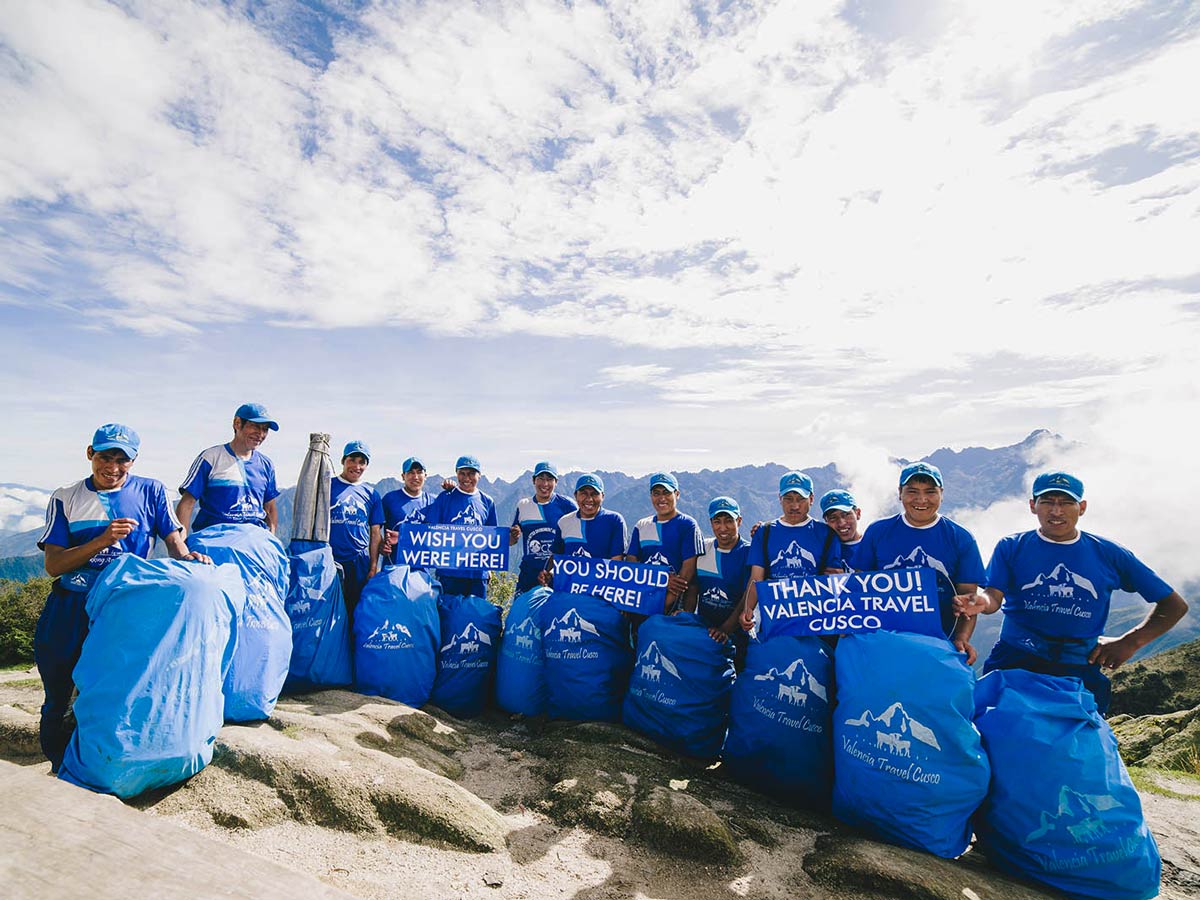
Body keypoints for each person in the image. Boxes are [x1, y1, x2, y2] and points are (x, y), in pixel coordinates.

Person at [35, 424, 212, 771]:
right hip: (71, 604)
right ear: (90, 454)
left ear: (133, 461)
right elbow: (54, 565)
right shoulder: (65, 497)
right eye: (105, 457)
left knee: (112, 691)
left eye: (122, 460)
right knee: (57, 688)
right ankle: (57, 766)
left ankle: (97, 765)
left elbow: (173, 538)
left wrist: (188, 557)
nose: (112, 468)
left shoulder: (151, 491)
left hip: (122, 607)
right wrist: (101, 540)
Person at [967, 471, 1188, 714]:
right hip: (1014, 660)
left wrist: (1130, 642)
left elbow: (1174, 605)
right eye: (1048, 502)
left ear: (1081, 507)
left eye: (1066, 503)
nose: (1056, 511)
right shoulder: (1011, 547)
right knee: (997, 738)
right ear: (1033, 506)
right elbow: (993, 596)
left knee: (1075, 747)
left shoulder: (1108, 554)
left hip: (1078, 667)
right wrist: (981, 602)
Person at [854, 462, 987, 662]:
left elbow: (968, 600)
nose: (921, 499)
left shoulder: (961, 538)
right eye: (912, 491)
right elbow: (859, 586)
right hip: (884, 640)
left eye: (930, 492)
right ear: (900, 493)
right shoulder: (878, 531)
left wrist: (961, 638)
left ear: (942, 493)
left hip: (940, 642)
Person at [739, 472, 843, 632]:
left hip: (815, 625)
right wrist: (747, 609)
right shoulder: (764, 532)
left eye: (801, 499)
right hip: (775, 623)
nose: (795, 506)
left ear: (811, 499)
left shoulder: (826, 534)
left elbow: (834, 579)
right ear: (780, 498)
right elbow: (756, 578)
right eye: (788, 499)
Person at [177, 402, 280, 534]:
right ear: (237, 423)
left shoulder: (266, 464)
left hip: (255, 539)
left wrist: (271, 540)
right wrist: (182, 544)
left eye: (265, 429)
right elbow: (187, 503)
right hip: (214, 537)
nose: (260, 434)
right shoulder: (211, 457)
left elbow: (270, 509)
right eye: (255, 426)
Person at [625, 472, 704, 614]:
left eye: (667, 493)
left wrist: (665, 604)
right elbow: (631, 562)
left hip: (674, 605)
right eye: (656, 493)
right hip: (642, 599)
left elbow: (688, 572)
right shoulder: (641, 525)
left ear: (677, 494)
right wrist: (660, 579)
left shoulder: (687, 525)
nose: (662, 498)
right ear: (651, 496)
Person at [684, 497, 752, 653]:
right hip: (705, 631)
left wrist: (725, 629)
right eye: (717, 521)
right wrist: (687, 617)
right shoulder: (703, 548)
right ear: (711, 522)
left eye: (729, 521)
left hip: (738, 633)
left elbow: (747, 598)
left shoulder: (749, 553)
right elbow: (693, 588)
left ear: (739, 521)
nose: (723, 528)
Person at [423, 454, 498, 597]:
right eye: (462, 473)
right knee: (448, 615)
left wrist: (488, 568)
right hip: (449, 572)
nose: (466, 478)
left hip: (477, 573)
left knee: (476, 616)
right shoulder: (445, 497)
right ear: (456, 473)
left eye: (471, 473)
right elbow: (429, 530)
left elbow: (492, 538)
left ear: (479, 475)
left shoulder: (487, 501)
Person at [329, 440, 384, 618]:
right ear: (343, 461)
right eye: (352, 460)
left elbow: (375, 534)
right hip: (331, 558)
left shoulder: (372, 494)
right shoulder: (327, 486)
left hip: (359, 561)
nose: (357, 466)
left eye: (362, 462)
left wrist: (373, 566)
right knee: (330, 611)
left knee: (356, 611)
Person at [540, 473, 628, 582]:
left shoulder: (614, 520)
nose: (589, 499)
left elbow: (616, 563)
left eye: (594, 494)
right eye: (584, 494)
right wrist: (547, 574)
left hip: (601, 591)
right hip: (570, 591)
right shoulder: (564, 522)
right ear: (575, 495)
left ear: (602, 496)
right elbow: (556, 557)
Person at [509, 461, 576, 593]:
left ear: (556, 481)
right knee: (523, 612)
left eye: (549, 479)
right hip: (528, 574)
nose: (545, 484)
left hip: (556, 575)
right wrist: (513, 535)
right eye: (541, 479)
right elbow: (511, 541)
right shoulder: (523, 505)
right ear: (534, 481)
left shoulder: (567, 505)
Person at [373, 456, 437, 573]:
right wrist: (382, 544)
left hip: (422, 571)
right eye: (410, 473)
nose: (415, 477)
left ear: (425, 476)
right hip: (393, 568)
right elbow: (375, 530)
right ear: (403, 476)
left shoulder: (434, 501)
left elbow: (441, 534)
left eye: (419, 472)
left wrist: (451, 490)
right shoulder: (389, 499)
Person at [820, 489, 865, 570]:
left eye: (846, 515)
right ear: (826, 521)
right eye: (833, 518)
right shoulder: (823, 553)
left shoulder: (873, 545)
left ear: (858, 514)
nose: (841, 523)